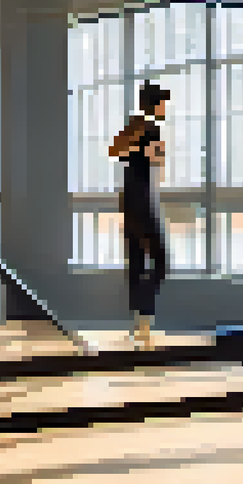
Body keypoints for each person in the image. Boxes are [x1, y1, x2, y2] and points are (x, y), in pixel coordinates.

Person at [108, 82, 172, 351]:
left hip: (130, 201)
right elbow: (158, 159)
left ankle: (140, 321)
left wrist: (136, 150)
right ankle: (144, 315)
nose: (165, 108)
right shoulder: (149, 127)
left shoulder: (133, 126)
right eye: (162, 103)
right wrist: (154, 150)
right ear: (154, 104)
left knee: (136, 258)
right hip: (142, 201)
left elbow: (115, 151)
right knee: (160, 259)